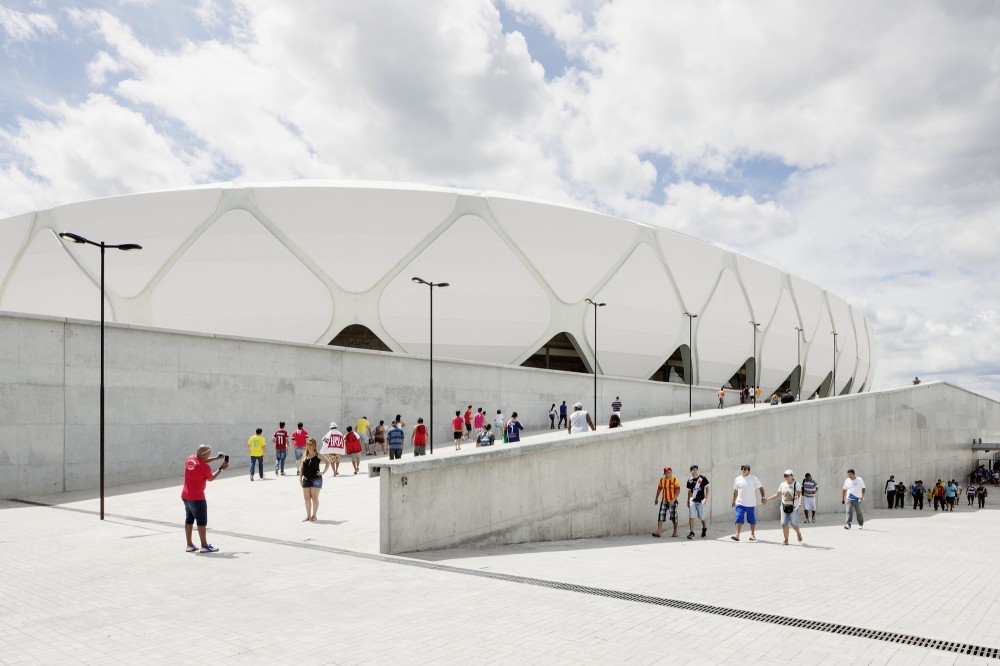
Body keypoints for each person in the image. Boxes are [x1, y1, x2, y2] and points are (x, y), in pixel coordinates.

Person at [181, 444, 228, 553]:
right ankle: (204, 546)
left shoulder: (190, 459)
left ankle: (189, 545)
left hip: (185, 496)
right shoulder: (204, 467)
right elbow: (210, 478)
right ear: (204, 454)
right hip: (197, 498)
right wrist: (221, 468)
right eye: (209, 453)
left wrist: (216, 458)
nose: (210, 454)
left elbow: (200, 462)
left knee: (189, 520)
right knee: (201, 522)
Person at [766, 470, 803, 545]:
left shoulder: (797, 484)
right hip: (784, 506)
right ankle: (786, 540)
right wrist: (767, 499)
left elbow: (800, 495)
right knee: (783, 523)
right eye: (785, 476)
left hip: (794, 507)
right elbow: (777, 494)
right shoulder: (782, 484)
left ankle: (798, 533)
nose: (786, 477)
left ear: (792, 476)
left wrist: (800, 502)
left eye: (788, 475)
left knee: (794, 524)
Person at [299, 437, 332, 522]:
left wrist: (323, 472)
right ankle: (308, 516)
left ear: (314, 445)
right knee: (306, 498)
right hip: (306, 479)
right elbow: (301, 467)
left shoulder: (318, 455)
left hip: (316, 479)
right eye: (307, 444)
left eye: (311, 444)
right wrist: (300, 477)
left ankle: (314, 515)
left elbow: (328, 462)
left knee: (314, 497)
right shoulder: (305, 455)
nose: (309, 446)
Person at [731, 464, 766, 541]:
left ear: (749, 470)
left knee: (751, 519)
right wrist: (734, 500)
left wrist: (763, 497)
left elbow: (761, 488)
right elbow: (736, 490)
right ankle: (737, 535)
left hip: (750, 503)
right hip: (740, 503)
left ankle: (753, 535)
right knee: (738, 518)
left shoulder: (754, 478)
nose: (743, 470)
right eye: (742, 469)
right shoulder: (737, 479)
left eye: (745, 469)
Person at [652, 467, 681, 538]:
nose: (669, 473)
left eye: (670, 472)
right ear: (664, 473)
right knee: (661, 515)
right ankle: (659, 532)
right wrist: (656, 498)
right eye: (667, 472)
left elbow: (678, 491)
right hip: (664, 500)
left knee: (674, 517)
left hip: (673, 501)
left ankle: (675, 532)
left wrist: (673, 500)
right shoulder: (662, 480)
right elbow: (659, 489)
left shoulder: (675, 480)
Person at [686, 465, 710, 539]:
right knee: (691, 516)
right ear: (691, 471)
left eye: (696, 469)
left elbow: (707, 488)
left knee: (702, 517)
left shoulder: (702, 478)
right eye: (693, 470)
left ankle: (704, 528)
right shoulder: (689, 480)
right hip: (693, 500)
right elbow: (689, 491)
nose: (695, 471)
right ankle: (692, 532)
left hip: (701, 501)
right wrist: (688, 500)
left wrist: (706, 498)